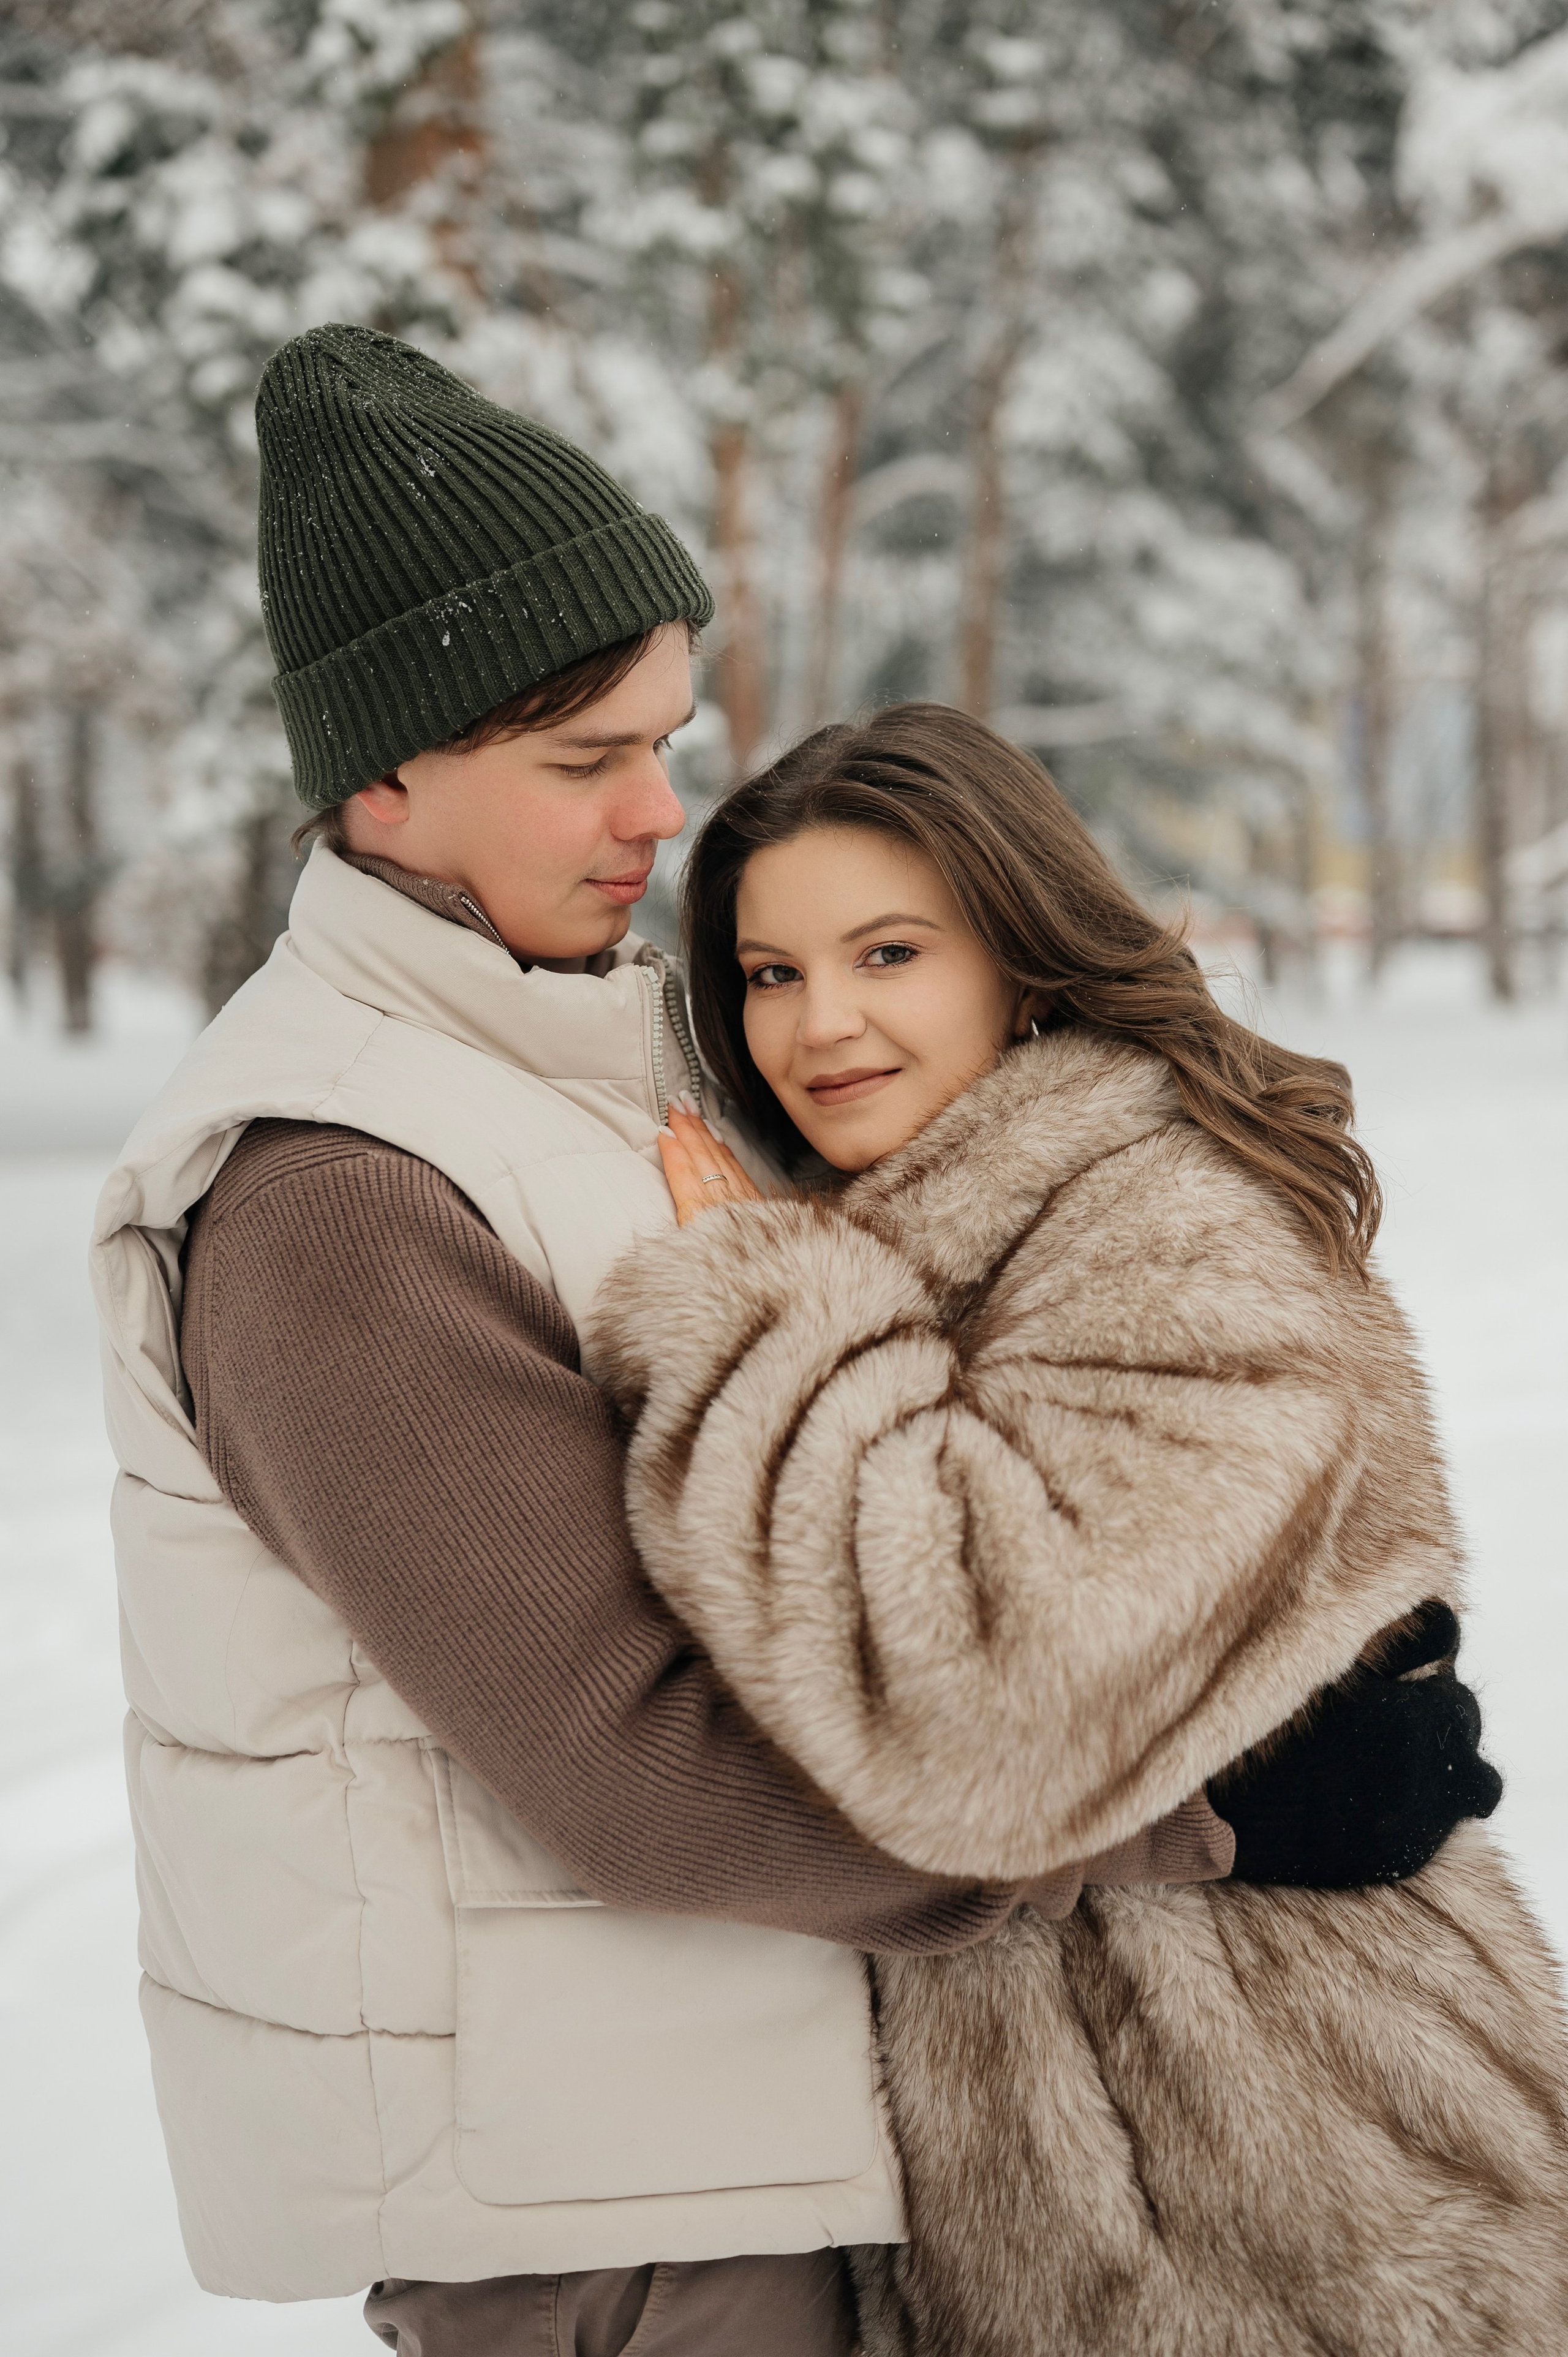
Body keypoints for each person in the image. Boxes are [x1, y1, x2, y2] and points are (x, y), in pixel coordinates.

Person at [89, 328, 1501, 2357]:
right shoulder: (338, 1191)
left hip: (782, 2136)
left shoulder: (599, 1063)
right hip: (613, 2208)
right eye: (583, 764)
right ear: (383, 775)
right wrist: (1216, 1807)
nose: (655, 812)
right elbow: (641, 1762)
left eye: (665, 738)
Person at [587, 703, 1567, 2356]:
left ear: (1022, 957)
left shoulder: (1165, 1223)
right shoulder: (931, 1237)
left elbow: (985, 1711)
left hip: (1305, 2203)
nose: (821, 1024)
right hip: (1099, 2216)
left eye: (888, 952)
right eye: (769, 974)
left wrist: (765, 1317)